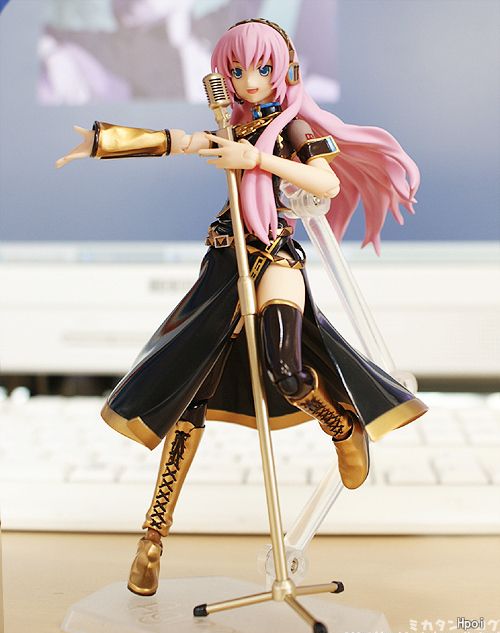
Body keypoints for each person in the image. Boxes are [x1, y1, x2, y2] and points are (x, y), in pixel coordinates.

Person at [57, 18, 427, 597]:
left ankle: (341, 427)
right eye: (237, 70)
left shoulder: (292, 126)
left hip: (274, 257)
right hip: (224, 266)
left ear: (284, 69)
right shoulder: (234, 123)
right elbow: (184, 141)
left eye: (262, 67)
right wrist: (106, 142)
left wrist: (255, 160)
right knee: (187, 396)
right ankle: (152, 539)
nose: (250, 80)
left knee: (288, 368)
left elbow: (325, 184)